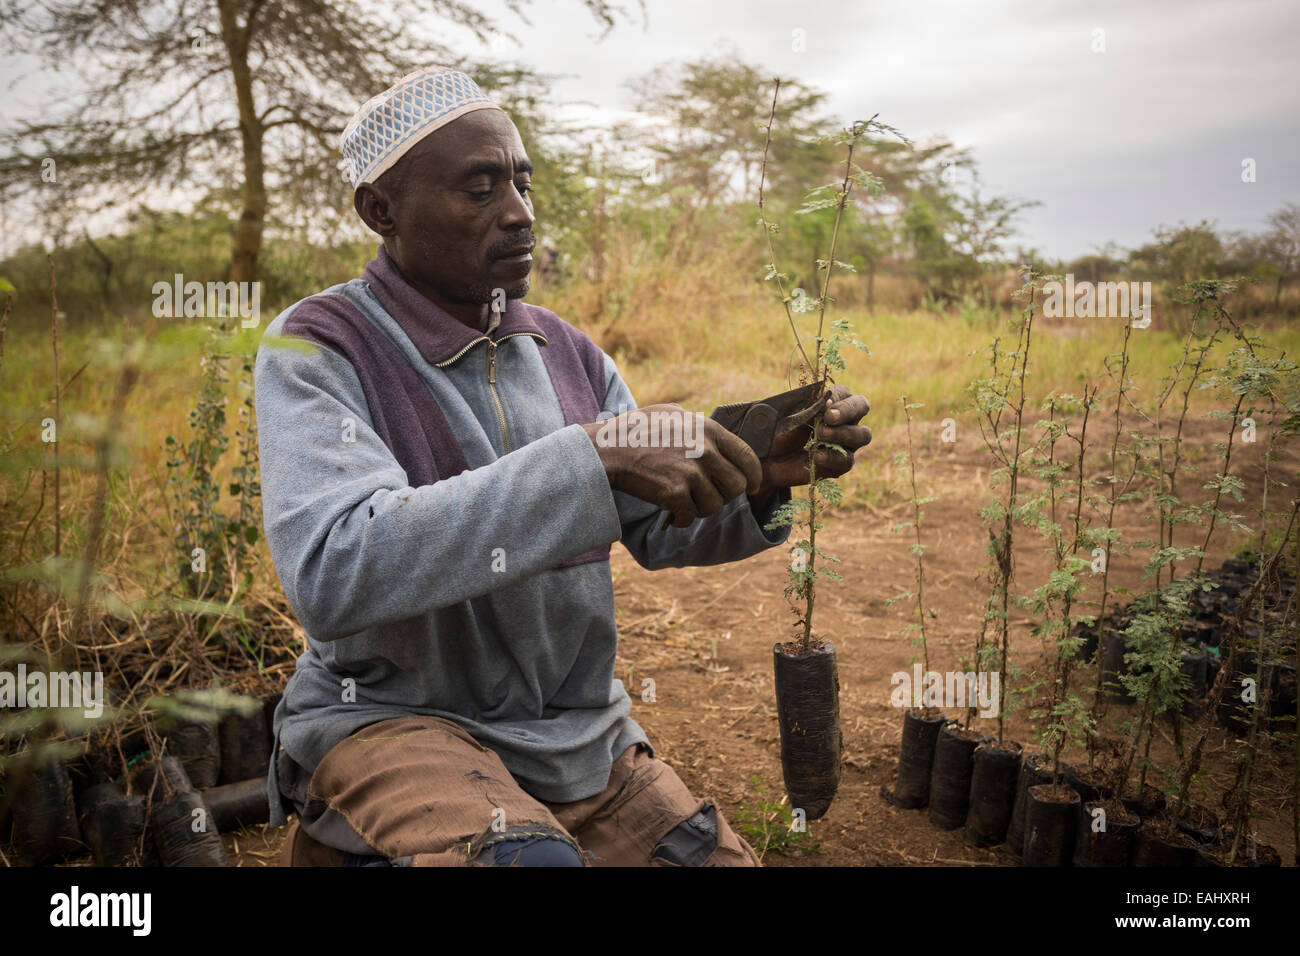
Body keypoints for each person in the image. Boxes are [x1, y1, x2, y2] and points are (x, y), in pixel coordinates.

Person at [254, 66, 873, 866]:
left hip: (574, 731)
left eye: (521, 182)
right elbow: (336, 569)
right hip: (392, 719)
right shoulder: (320, 346)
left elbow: (656, 529)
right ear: (381, 210)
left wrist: (760, 482)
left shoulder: (564, 349)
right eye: (480, 190)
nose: (520, 214)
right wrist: (596, 455)